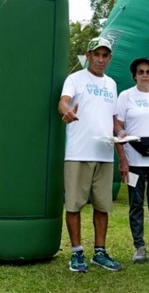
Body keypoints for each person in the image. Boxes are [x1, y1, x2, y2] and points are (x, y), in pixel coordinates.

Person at [58, 37, 122, 273]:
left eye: (105, 55)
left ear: (109, 58)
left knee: (102, 206)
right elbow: (63, 103)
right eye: (97, 54)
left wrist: (122, 134)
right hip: (78, 153)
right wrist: (67, 113)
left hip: (105, 154)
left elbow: (114, 118)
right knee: (74, 205)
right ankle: (76, 253)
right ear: (88, 55)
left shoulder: (112, 84)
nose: (101, 59)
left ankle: (100, 252)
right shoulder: (75, 79)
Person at [114, 57, 149, 265]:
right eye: (141, 72)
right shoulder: (126, 96)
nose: (145, 75)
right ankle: (139, 246)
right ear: (134, 75)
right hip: (133, 160)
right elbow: (117, 126)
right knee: (136, 203)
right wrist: (123, 159)